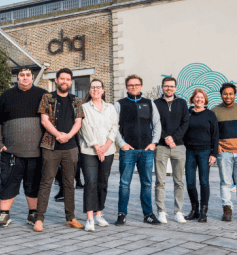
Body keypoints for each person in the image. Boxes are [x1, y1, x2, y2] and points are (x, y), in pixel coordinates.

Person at [0, 68, 47, 227]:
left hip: (36, 152)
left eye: (28, 75)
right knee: (8, 182)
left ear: (32, 77)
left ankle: (32, 214)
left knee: (33, 184)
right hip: (11, 152)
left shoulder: (43, 95)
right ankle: (4, 214)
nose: (25, 78)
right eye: (21, 75)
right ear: (17, 77)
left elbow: (51, 120)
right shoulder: (6, 96)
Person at [35, 68, 85, 232]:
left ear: (70, 81)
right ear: (56, 80)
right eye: (61, 78)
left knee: (69, 183)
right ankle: (39, 219)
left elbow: (78, 122)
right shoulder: (47, 97)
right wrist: (58, 135)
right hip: (51, 146)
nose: (64, 81)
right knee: (46, 182)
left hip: (70, 147)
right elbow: (44, 120)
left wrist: (68, 136)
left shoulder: (76, 100)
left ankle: (70, 218)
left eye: (67, 79)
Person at [114, 74, 162, 226]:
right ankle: (122, 214)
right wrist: (121, 143)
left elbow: (157, 124)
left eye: (136, 85)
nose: (133, 87)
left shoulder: (149, 103)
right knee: (124, 184)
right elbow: (113, 126)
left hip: (146, 151)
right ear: (126, 87)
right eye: (130, 85)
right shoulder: (119, 104)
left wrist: (154, 143)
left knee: (147, 184)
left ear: (141, 86)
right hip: (128, 151)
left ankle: (148, 214)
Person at [78, 79, 118, 231]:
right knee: (90, 183)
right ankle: (89, 218)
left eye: (98, 87)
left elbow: (115, 126)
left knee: (103, 183)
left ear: (103, 90)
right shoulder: (84, 108)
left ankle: (99, 214)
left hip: (108, 151)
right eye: (93, 87)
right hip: (89, 151)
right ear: (89, 91)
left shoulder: (111, 108)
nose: (95, 90)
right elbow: (84, 128)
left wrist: (106, 145)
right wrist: (96, 147)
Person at [212, 83, 237, 222]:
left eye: (230, 93)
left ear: (234, 95)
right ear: (221, 95)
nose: (228, 96)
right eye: (225, 93)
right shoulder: (215, 111)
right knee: (225, 182)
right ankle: (227, 210)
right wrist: (217, 148)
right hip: (224, 153)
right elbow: (213, 132)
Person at [153, 77, 190, 224]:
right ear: (162, 87)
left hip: (178, 146)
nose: (169, 88)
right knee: (160, 181)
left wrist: (174, 138)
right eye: (166, 86)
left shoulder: (182, 103)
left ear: (175, 88)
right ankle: (161, 211)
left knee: (179, 181)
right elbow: (154, 123)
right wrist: (165, 137)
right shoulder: (155, 104)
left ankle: (178, 211)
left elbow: (185, 122)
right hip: (161, 147)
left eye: (172, 86)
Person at [183, 88, 218, 223]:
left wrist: (214, 153)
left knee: (204, 181)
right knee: (190, 182)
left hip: (205, 152)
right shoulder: (188, 113)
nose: (199, 99)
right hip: (190, 152)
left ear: (205, 100)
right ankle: (194, 210)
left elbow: (215, 135)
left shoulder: (210, 115)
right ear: (193, 99)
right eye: (197, 97)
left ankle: (204, 212)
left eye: (201, 97)